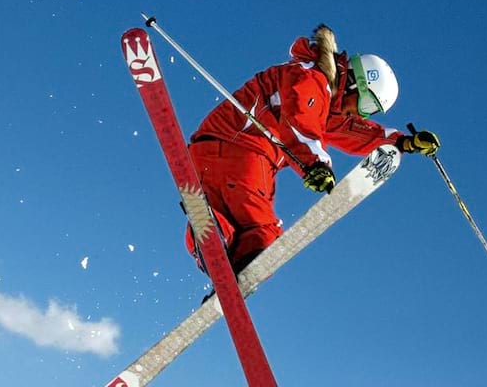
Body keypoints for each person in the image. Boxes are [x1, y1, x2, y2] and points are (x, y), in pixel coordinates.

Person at [185, 24, 440, 274]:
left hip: (213, 158)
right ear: (354, 83)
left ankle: (215, 245)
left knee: (247, 236)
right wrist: (316, 164)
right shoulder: (311, 77)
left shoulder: (326, 102)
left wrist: (403, 142)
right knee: (263, 235)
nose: (361, 113)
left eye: (370, 111)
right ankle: (216, 237)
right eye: (366, 105)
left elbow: (353, 131)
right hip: (241, 152)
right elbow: (299, 120)